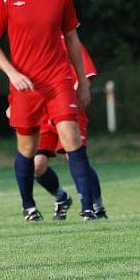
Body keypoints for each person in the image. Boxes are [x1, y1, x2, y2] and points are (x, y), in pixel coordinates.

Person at [0, 0, 107, 221]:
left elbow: (72, 40)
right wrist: (12, 74)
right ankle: (29, 206)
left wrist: (84, 83)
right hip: (25, 87)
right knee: (27, 150)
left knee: (72, 140)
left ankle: (89, 209)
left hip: (58, 82)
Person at [32, 37, 102, 220]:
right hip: (45, 116)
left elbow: (86, 75)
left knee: (75, 157)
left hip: (68, 111)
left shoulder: (66, 39)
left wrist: (69, 98)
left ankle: (96, 207)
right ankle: (62, 198)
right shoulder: (33, 44)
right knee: (37, 165)